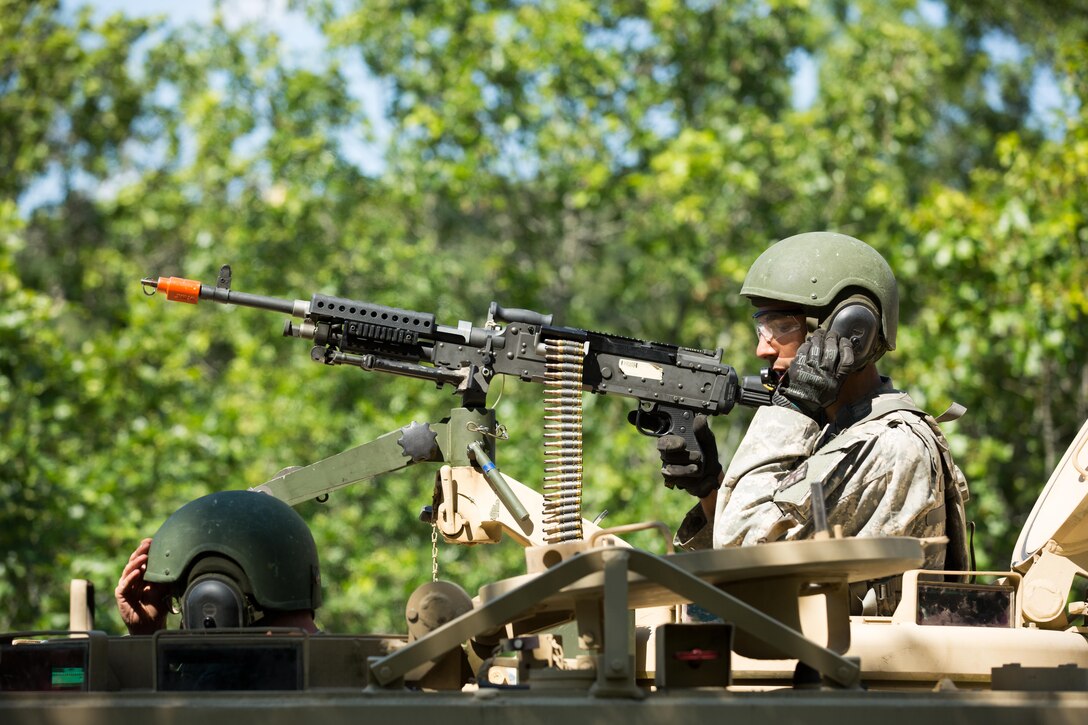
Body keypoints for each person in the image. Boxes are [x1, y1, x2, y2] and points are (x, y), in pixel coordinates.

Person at [658, 231, 969, 578]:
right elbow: (758, 552)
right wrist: (711, 490)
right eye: (762, 328)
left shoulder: (891, 446)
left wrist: (790, 409)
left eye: (780, 327)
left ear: (852, 330)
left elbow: (742, 554)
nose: (763, 349)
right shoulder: (832, 433)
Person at [114, 489, 322, 634]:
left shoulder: (210, 685)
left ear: (215, 602)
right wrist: (147, 632)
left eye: (181, 602)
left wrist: (147, 638)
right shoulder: (348, 671)